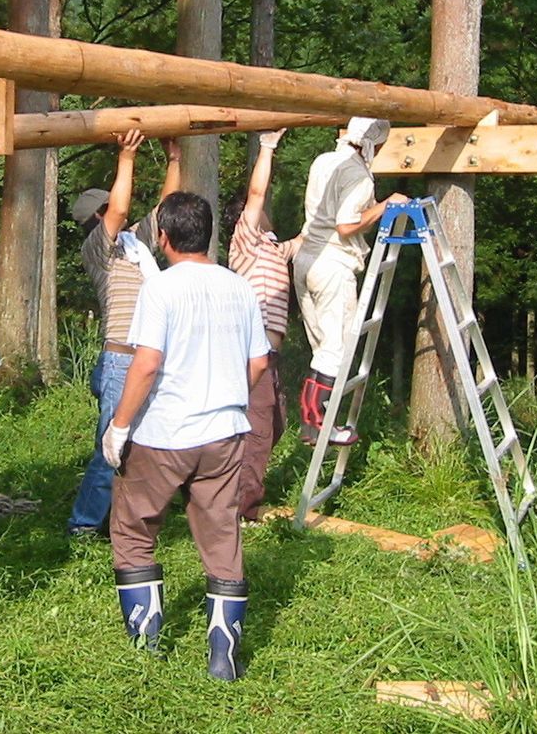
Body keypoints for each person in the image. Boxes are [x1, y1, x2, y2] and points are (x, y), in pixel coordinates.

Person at [102, 191, 270, 682]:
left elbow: (147, 363)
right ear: (209, 234)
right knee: (222, 536)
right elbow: (259, 361)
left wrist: (119, 425)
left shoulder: (162, 289)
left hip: (165, 431)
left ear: (164, 238)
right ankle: (223, 653)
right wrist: (229, 397)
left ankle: (145, 643)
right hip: (225, 430)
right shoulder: (239, 287)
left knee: (134, 528)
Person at [64, 131, 181, 540]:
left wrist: (174, 160)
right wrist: (126, 156)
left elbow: (165, 210)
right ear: (98, 217)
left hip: (144, 356)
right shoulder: (99, 249)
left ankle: (127, 520)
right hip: (121, 360)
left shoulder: (136, 248)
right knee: (110, 446)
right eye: (108, 209)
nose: (120, 214)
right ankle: (84, 522)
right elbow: (121, 209)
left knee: (142, 444)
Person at [292, 118, 408, 446]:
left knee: (322, 349)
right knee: (337, 350)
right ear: (371, 144)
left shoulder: (323, 161)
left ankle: (312, 422)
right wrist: (386, 206)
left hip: (307, 259)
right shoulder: (358, 176)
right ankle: (318, 424)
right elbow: (345, 225)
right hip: (333, 263)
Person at [222, 130, 302, 523]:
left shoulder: (271, 247)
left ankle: (229, 492)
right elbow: (256, 195)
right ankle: (240, 512)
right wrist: (268, 146)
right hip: (250, 353)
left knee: (275, 423)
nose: (265, 208)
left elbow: (306, 239)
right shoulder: (246, 242)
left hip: (269, 356)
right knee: (257, 430)